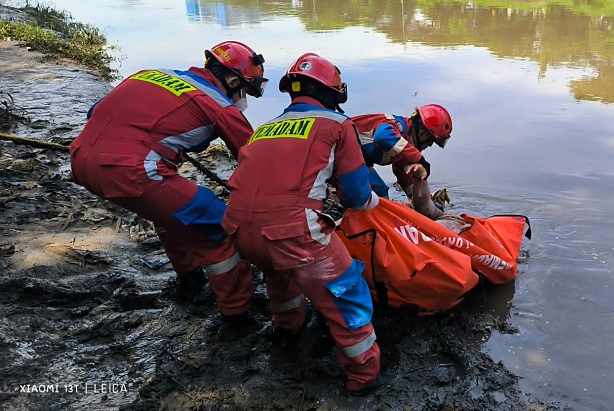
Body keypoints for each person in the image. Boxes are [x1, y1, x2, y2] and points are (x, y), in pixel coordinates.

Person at [69, 41, 266, 338]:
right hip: (131, 171)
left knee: (172, 212)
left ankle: (190, 280)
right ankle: (236, 317)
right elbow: (258, 164)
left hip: (80, 157)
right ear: (234, 81)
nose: (243, 99)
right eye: (245, 91)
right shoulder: (221, 107)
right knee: (218, 228)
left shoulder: (148, 73)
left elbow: (95, 111)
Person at [222, 53, 385, 397]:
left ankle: (287, 329)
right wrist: (379, 207)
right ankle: (363, 378)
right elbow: (357, 195)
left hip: (237, 229)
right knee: (348, 295)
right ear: (333, 93)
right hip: (291, 231)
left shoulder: (265, 128)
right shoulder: (337, 125)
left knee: (278, 273)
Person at [352, 104, 452, 199]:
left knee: (381, 194)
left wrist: (422, 200)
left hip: (353, 161)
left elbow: (403, 174)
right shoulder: (395, 125)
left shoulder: (404, 145)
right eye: (431, 141)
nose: (429, 145)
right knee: (379, 192)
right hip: (341, 155)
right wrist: (420, 159)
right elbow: (382, 137)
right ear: (422, 134)